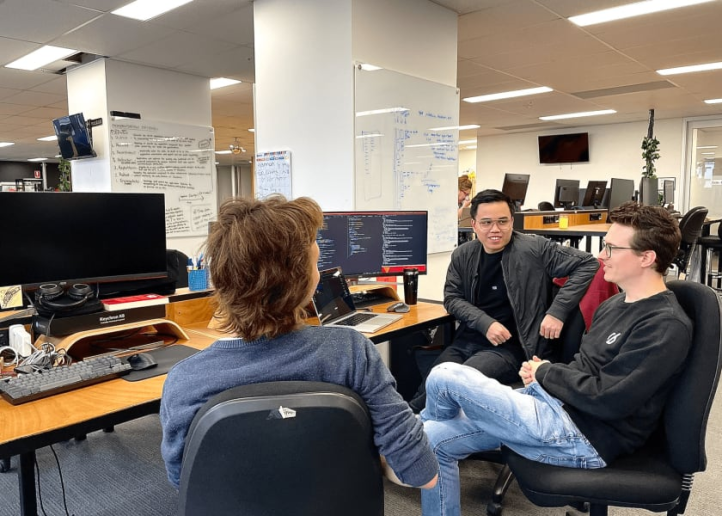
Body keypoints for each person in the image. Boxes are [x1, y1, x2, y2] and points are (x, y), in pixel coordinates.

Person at [420, 202, 692, 516]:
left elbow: (609, 399)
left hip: (585, 435)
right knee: (432, 440)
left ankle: (405, 443)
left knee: (445, 375)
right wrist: (542, 379)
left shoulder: (664, 325)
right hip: (556, 409)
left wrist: (547, 373)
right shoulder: (615, 305)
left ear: (646, 257)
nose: (601, 256)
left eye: (611, 248)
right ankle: (415, 443)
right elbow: (585, 367)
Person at [160, 195, 438, 491]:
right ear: (303, 281)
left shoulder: (184, 381)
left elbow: (184, 481)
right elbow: (422, 475)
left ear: (221, 278)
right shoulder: (351, 353)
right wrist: (366, 457)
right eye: (316, 264)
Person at [409, 189, 598, 412]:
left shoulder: (535, 249)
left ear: (512, 221)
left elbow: (587, 264)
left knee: (457, 382)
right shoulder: (463, 254)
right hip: (468, 340)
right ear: (474, 225)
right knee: (430, 383)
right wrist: (485, 323)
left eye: (502, 221)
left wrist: (558, 311)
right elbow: (452, 298)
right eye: (486, 222)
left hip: (513, 348)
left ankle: (414, 431)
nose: (495, 229)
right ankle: (407, 428)